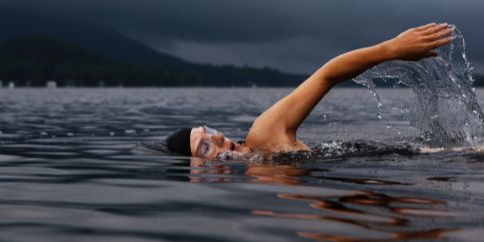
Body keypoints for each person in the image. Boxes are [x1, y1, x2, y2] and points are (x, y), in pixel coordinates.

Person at [165, 23, 454, 159]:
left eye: (209, 130)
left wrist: (391, 49)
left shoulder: (262, 137)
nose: (217, 137)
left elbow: (326, 76)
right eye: (205, 146)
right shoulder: (259, 177)